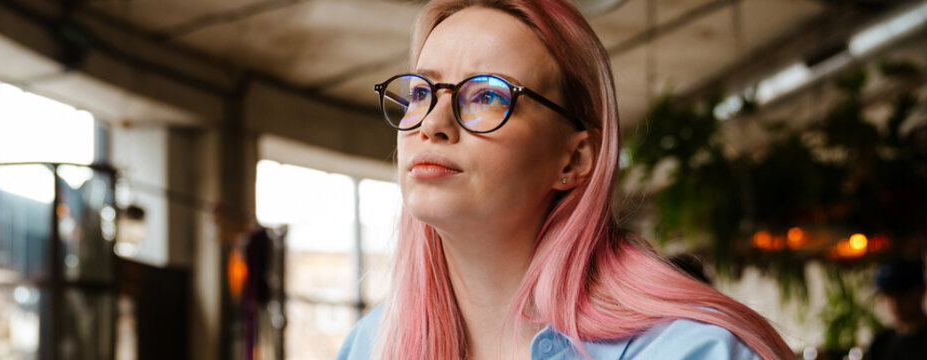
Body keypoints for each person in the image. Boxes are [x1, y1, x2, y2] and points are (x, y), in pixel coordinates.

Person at [336, 0, 794, 359]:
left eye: (487, 95)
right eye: (420, 92)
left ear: (574, 159)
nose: (432, 122)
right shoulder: (368, 346)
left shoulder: (690, 350)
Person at [867, 259, 927, 360]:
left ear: (921, 290)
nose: (895, 303)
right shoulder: (881, 343)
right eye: (888, 295)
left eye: (901, 293)